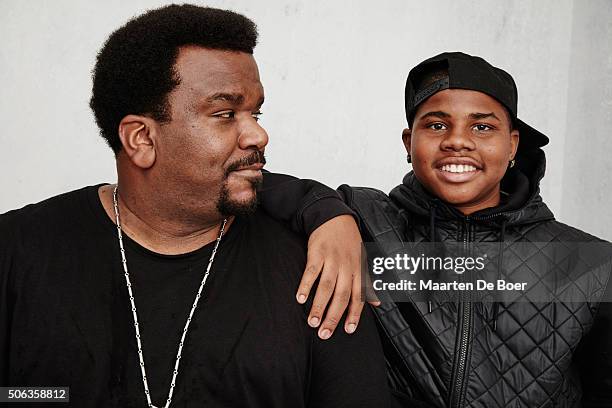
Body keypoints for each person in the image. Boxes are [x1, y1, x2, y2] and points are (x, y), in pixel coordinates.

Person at [0, 5, 390, 407]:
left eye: (255, 112)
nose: (259, 134)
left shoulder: (318, 266)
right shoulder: (17, 251)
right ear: (141, 139)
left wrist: (332, 211)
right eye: (225, 114)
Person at [260, 52, 612, 407]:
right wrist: (326, 213)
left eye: (482, 127)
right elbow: (251, 186)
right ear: (408, 143)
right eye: (437, 125)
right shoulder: (365, 221)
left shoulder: (589, 262)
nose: (457, 141)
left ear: (512, 145)